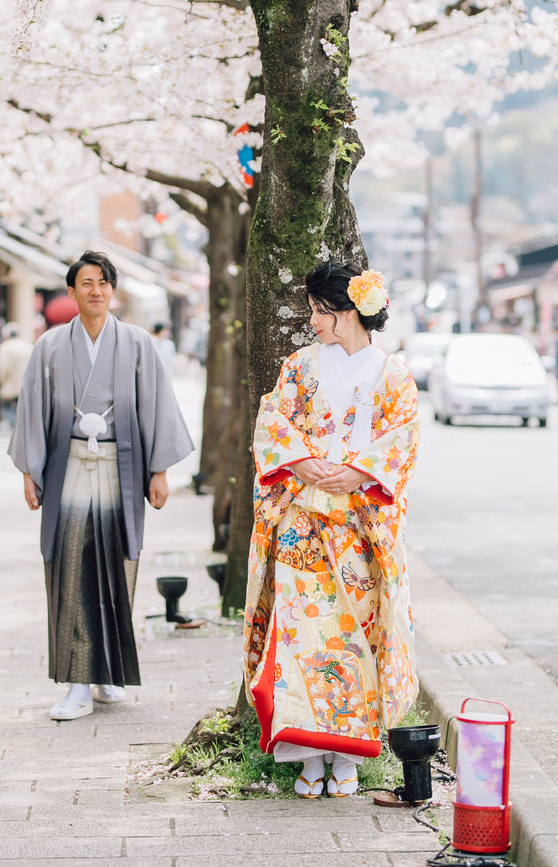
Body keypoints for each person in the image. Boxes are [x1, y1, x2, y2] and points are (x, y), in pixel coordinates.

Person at [243, 262, 419, 799]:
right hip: (302, 522)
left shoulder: (392, 375)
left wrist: (359, 472)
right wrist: (300, 461)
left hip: (358, 528)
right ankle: (306, 753)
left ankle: (347, 754)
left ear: (346, 312)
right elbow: (273, 422)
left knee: (355, 635)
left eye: (319, 311)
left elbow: (403, 438)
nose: (313, 321)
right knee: (301, 635)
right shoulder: (300, 367)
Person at [9, 250, 194, 721]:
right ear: (72, 291)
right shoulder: (50, 346)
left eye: (103, 283)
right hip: (68, 464)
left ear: (113, 291)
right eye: (86, 283)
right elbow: (32, 409)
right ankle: (75, 683)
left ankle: (107, 672)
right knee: (70, 565)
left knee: (117, 565)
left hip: (120, 468)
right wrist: (30, 471)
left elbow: (155, 405)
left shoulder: (137, 344)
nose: (96, 291)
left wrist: (159, 470)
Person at [0, 323, 34, 429]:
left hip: (10, 386)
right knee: (23, 409)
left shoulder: (5, 347)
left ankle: (12, 428)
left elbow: (2, 367)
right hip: (26, 385)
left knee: (8, 410)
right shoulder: (28, 346)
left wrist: (0, 380)